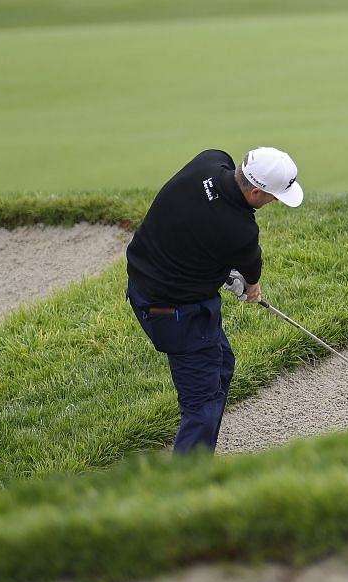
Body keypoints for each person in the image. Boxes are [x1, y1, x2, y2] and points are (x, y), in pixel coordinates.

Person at [125, 146, 304, 454]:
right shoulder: (241, 230)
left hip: (145, 278)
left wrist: (219, 270)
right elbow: (251, 275)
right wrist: (251, 288)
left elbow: (195, 223)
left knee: (222, 363)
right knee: (202, 404)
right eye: (274, 196)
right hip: (175, 312)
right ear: (257, 192)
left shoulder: (210, 160)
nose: (274, 202)